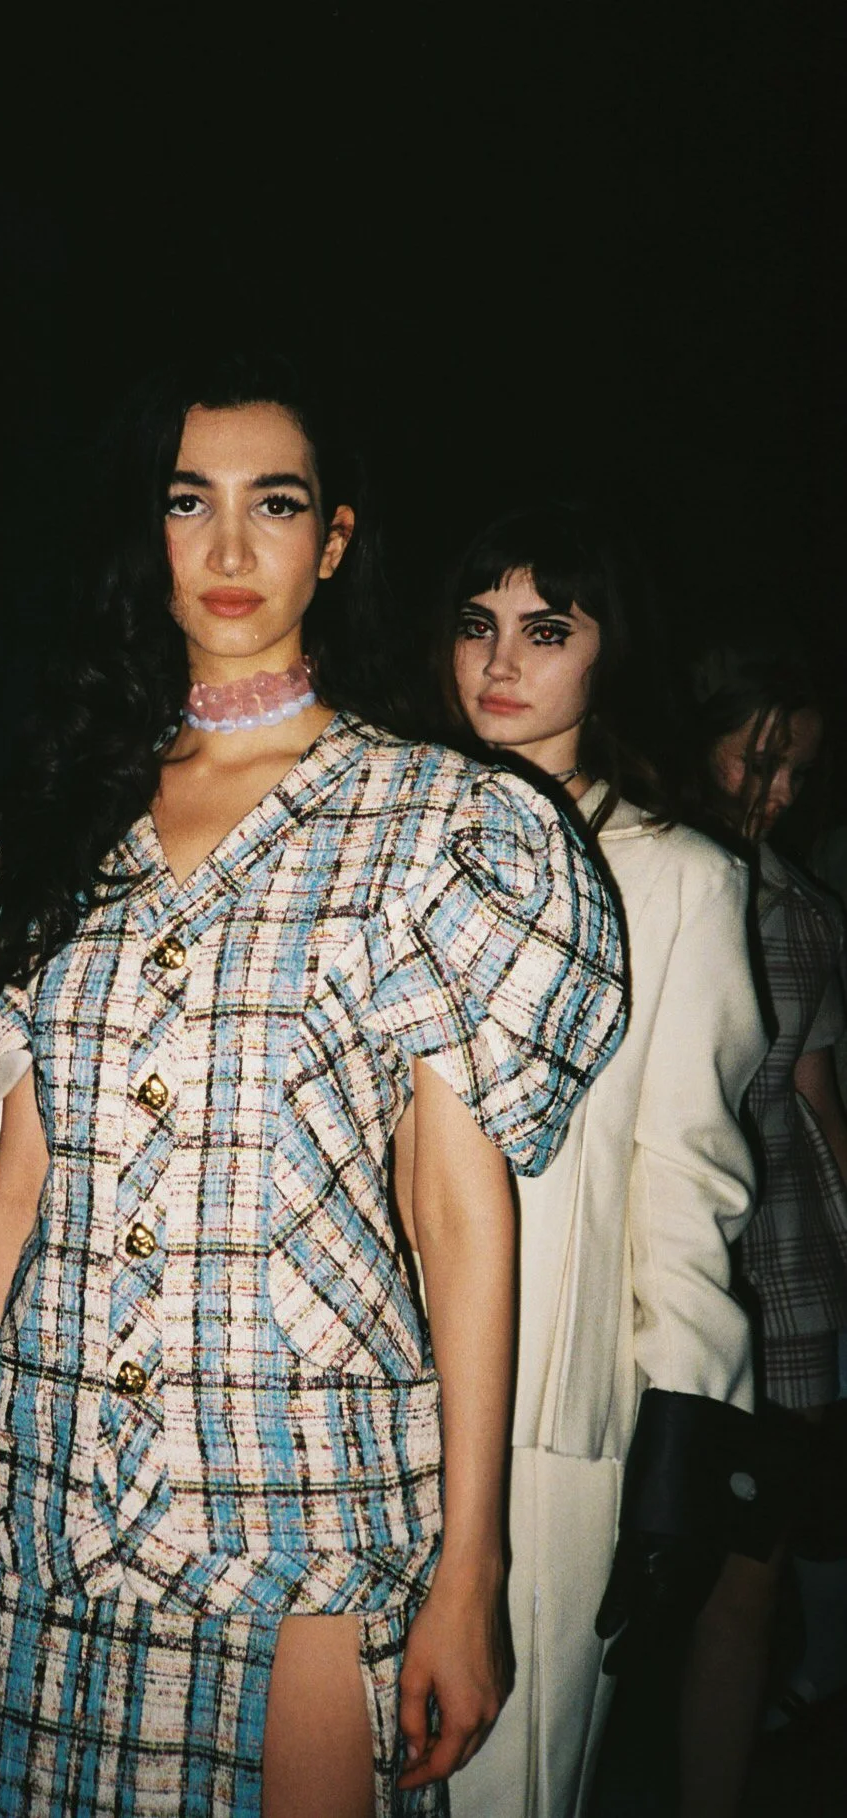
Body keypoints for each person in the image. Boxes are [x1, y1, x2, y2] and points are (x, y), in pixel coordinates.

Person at [0, 357, 626, 1818]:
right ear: (142, 530)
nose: (229, 551)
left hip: (310, 1495)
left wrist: (469, 1567)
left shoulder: (433, 821)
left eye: (273, 505)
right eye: (188, 502)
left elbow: (458, 1210)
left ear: (333, 538)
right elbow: (28, 1189)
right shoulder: (49, 823)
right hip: (58, 1497)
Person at [402, 504, 768, 1818]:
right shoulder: (392, 836)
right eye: (478, 625)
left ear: (608, 653)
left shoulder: (677, 880)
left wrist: (681, 1429)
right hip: (354, 1396)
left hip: (551, 1411)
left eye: (546, 630)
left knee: (509, 1781)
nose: (500, 661)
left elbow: (690, 1175)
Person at [678, 645, 847, 1818]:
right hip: (671, 1260)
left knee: (755, 1560)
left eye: (799, 774)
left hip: (784, 1277)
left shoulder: (803, 907)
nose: (777, 791)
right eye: (760, 760)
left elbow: (818, 1104)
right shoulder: (655, 873)